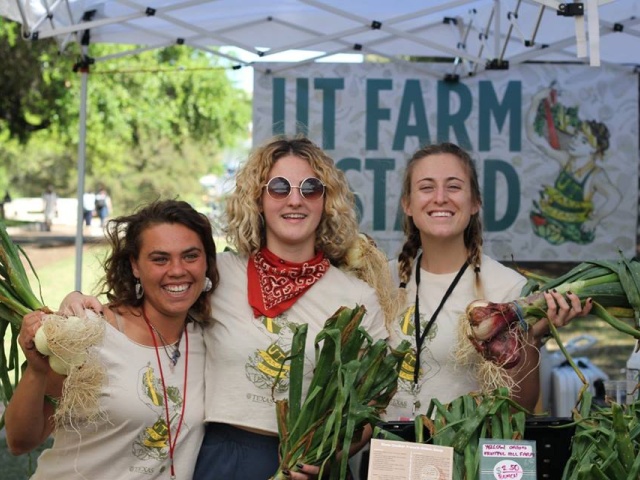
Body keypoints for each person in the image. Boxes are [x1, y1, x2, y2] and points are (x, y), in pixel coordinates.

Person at [58, 136, 393, 480]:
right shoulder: (218, 274)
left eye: (310, 188)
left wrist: (333, 453)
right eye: (279, 187)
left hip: (311, 465)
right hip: (226, 459)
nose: (295, 199)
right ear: (258, 199)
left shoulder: (357, 297)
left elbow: (372, 405)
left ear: (326, 200)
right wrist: (77, 302)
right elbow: (148, 300)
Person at [5, 199, 219, 479]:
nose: (177, 270)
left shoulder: (209, 339)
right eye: (160, 258)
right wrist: (36, 370)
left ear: (207, 262)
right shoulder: (92, 334)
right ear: (135, 266)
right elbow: (20, 441)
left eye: (190, 256)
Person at [384, 142, 592, 421]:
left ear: (475, 203)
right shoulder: (382, 281)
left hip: (465, 457)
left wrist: (530, 338)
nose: (441, 197)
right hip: (387, 459)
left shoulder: (510, 290)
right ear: (407, 204)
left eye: (454, 187)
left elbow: (520, 409)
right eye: (426, 187)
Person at [525, 86, 622, 245]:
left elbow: (615, 197)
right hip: (549, 223)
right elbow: (535, 137)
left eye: (584, 141)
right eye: (577, 136)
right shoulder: (565, 159)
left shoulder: (594, 175)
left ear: (594, 148)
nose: (576, 141)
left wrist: (595, 219)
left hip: (573, 231)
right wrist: (536, 101)